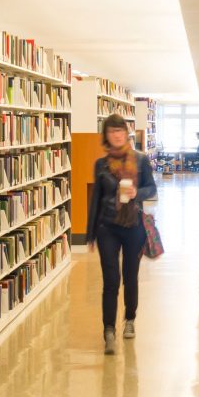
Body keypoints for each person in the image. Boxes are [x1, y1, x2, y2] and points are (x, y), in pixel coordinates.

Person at [87, 113, 157, 354]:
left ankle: (129, 319)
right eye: (111, 131)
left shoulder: (140, 160)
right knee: (110, 279)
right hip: (107, 227)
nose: (116, 134)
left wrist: (138, 192)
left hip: (134, 225)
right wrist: (90, 233)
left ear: (125, 133)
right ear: (106, 135)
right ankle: (108, 329)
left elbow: (152, 189)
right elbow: (96, 198)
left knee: (130, 276)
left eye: (120, 130)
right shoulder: (101, 164)